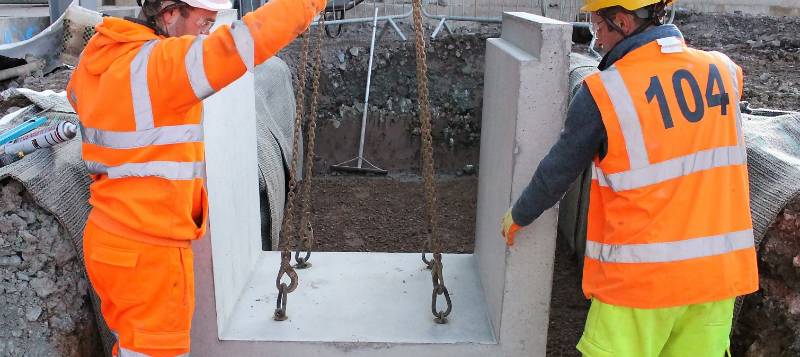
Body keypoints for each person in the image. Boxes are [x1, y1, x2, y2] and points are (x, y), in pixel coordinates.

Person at [500, 0, 759, 355]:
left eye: (598, 27)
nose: (598, 40)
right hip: (716, 279)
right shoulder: (724, 70)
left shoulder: (605, 92)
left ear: (622, 21)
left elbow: (558, 170)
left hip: (640, 283)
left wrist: (520, 214)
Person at [66, 0, 325, 354]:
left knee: (132, 346)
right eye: (203, 21)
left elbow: (81, 99)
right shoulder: (163, 66)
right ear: (170, 13)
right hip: (150, 252)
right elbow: (247, 41)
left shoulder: (100, 55)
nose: (207, 32)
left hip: (110, 239)